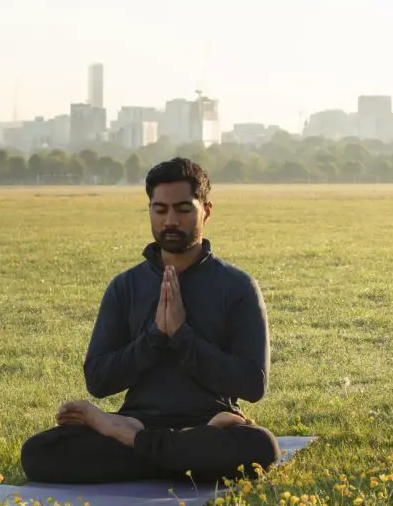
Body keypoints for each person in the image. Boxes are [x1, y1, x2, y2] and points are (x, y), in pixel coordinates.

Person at [21, 158, 279, 483]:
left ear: (206, 211)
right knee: (40, 451)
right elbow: (99, 381)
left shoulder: (236, 286)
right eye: (160, 210)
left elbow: (252, 384)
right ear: (150, 211)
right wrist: (155, 336)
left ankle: (138, 445)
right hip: (143, 421)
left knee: (261, 447)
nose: (170, 221)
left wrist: (183, 336)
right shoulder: (125, 286)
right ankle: (173, 454)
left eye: (183, 209)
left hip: (207, 421)